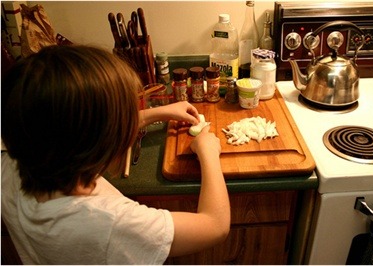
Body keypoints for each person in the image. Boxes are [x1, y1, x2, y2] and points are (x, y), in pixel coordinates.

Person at [1, 45, 230, 264]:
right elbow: (214, 225)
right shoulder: (110, 223)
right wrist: (208, 152)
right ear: (97, 144)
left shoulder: (15, 163)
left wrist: (157, 113)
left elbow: (59, 128)